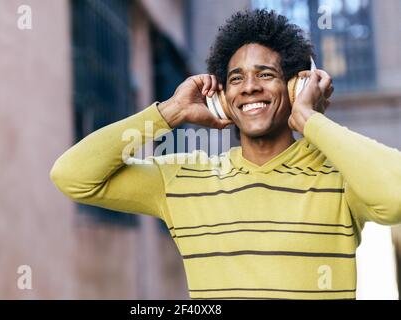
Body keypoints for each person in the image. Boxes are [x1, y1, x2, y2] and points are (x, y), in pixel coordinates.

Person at [50, 9, 401, 300]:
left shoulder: (339, 175)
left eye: (266, 74)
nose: (250, 86)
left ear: (296, 87)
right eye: (236, 79)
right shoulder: (182, 179)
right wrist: (169, 113)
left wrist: (310, 118)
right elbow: (73, 175)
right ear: (221, 97)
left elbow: (396, 195)